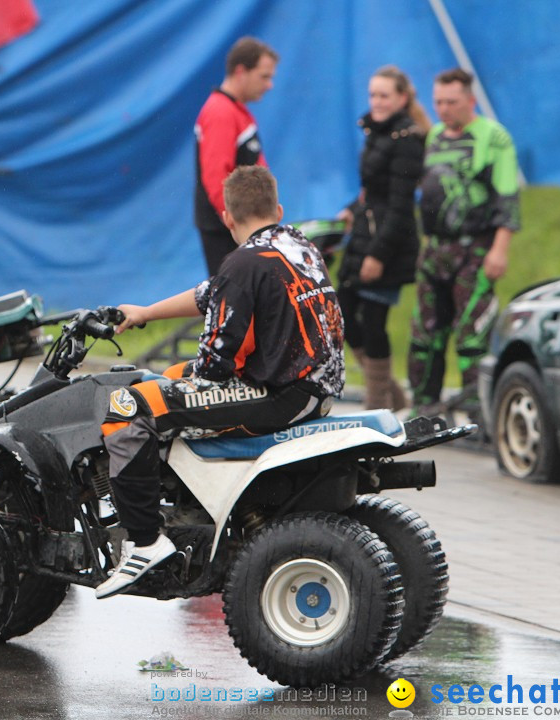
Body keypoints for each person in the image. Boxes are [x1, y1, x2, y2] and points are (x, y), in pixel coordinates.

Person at [96, 166, 344, 599]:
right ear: (278, 209)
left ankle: (143, 542)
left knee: (125, 407)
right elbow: (214, 293)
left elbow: (214, 364)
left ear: (227, 217)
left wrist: (190, 374)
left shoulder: (243, 263)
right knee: (169, 379)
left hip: (279, 396)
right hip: (314, 389)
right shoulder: (295, 246)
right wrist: (145, 312)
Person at [409, 68, 520, 417]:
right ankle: (424, 405)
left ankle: (477, 411)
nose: (444, 109)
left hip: (476, 249)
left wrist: (499, 250)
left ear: (470, 101)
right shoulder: (436, 136)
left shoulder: (494, 137)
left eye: (451, 102)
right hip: (435, 250)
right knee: (425, 334)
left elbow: (508, 198)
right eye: (438, 102)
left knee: (472, 335)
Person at [335, 66, 428, 410]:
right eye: (373, 94)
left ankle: (376, 406)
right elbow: (374, 190)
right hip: (364, 235)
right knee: (342, 313)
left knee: (374, 323)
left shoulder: (406, 141)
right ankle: (393, 392)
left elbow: (402, 207)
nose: (376, 101)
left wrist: (378, 255)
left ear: (402, 99)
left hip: (388, 244)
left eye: (384, 95)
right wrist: (351, 209)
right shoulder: (378, 132)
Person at [194, 37, 279, 276]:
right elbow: (216, 179)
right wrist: (242, 228)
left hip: (245, 229)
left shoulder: (237, 111)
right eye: (264, 76)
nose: (269, 85)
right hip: (230, 232)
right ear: (241, 71)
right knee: (235, 304)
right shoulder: (220, 112)